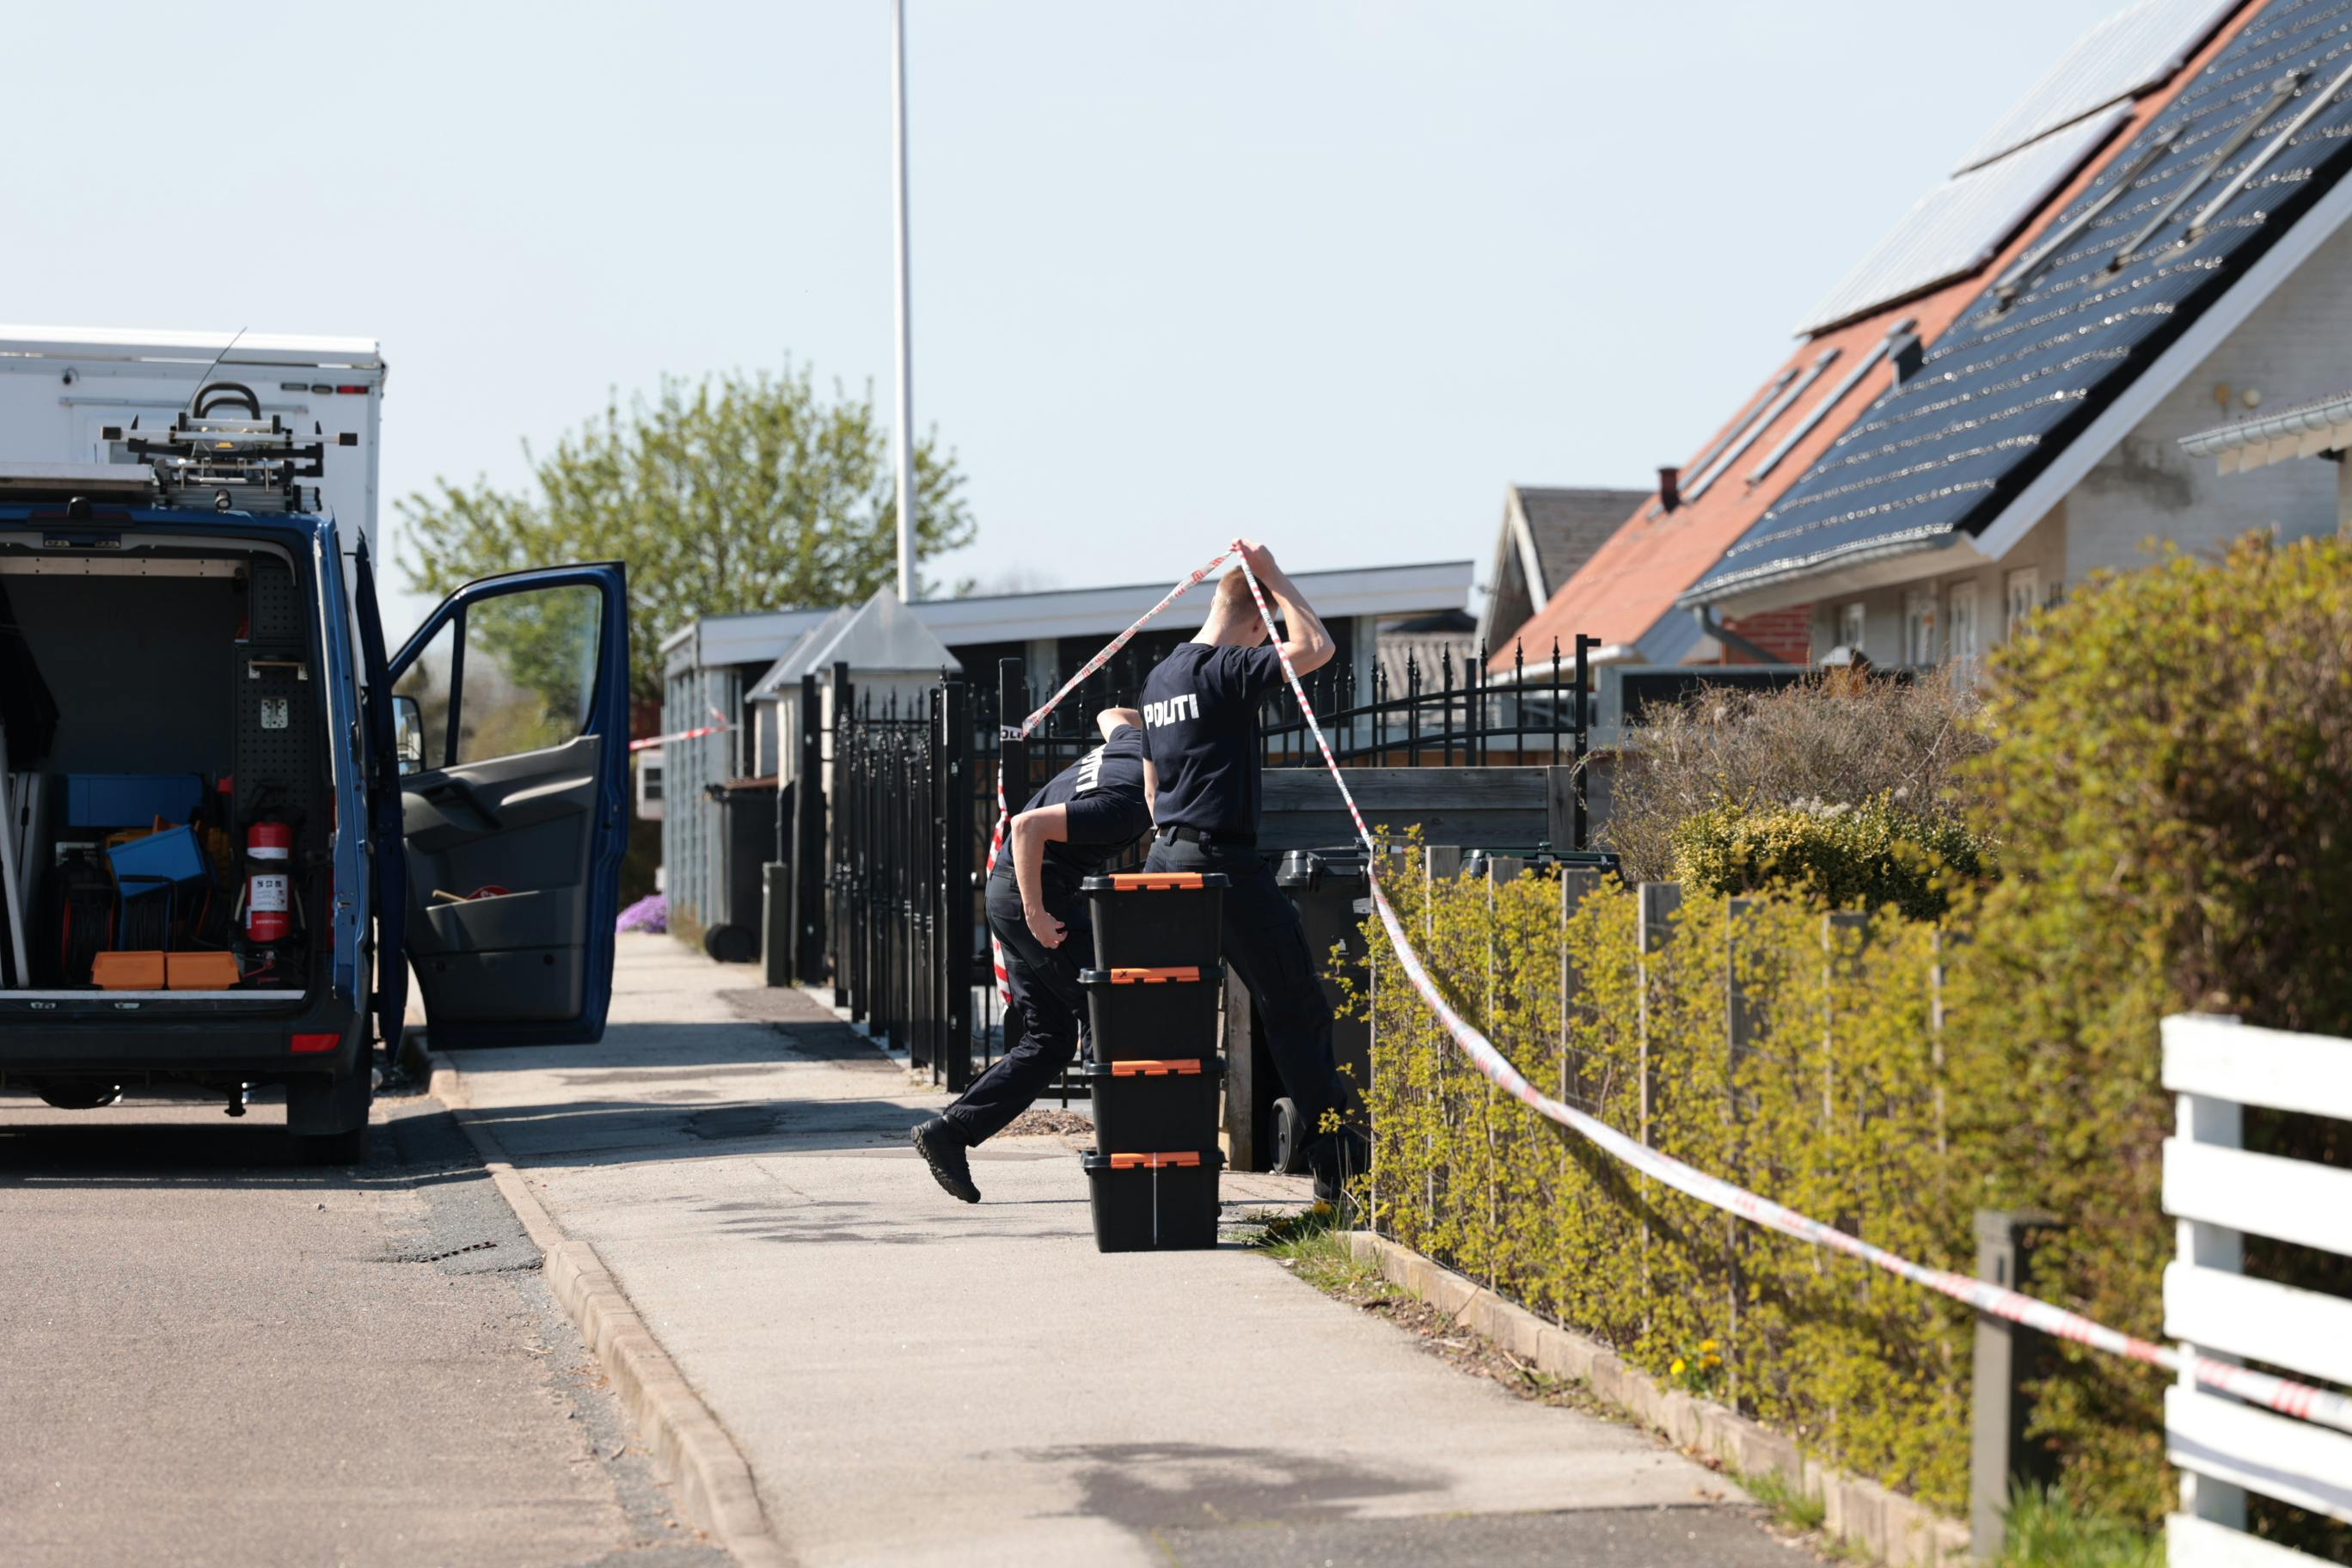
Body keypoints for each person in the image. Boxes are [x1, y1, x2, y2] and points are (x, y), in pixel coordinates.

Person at [1137, 540, 1365, 1200]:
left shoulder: (1160, 679)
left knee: (1170, 1016)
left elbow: (1152, 791)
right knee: (1295, 1005)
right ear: (1260, 622)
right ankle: (1336, 1167)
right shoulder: (1225, 670)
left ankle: (1164, 1166)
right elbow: (1317, 647)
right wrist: (1275, 575)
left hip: (1166, 857)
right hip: (1223, 861)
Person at [912, 706, 1151, 1204]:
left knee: (1049, 1037)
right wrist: (1037, 913)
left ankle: (949, 1132)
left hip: (1016, 890)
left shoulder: (1133, 743)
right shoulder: (1125, 801)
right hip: (1035, 897)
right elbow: (1025, 827)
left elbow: (1112, 713)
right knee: (1103, 1009)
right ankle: (1124, 1162)